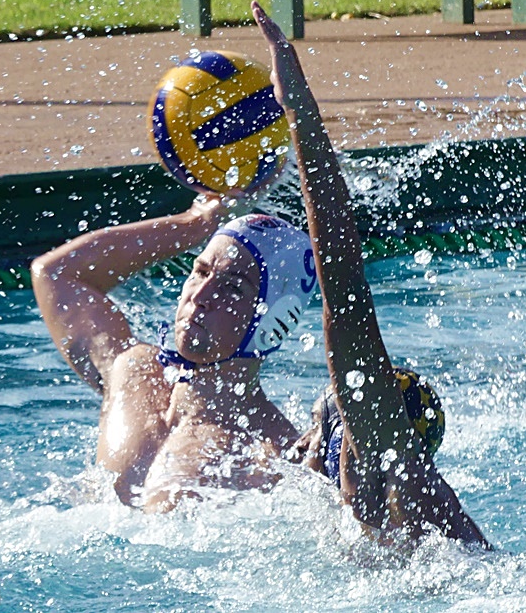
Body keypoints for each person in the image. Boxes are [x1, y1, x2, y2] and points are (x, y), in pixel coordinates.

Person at [251, 0, 489, 548]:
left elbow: (348, 298)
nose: (307, 444)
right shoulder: (402, 511)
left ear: (356, 427)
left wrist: (301, 115)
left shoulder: (391, 470)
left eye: (321, 423)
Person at [30, 184, 318, 511]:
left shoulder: (273, 460)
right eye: (201, 272)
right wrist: (198, 221)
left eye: (233, 287)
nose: (200, 295)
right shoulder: (134, 372)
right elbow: (55, 273)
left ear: (271, 319)